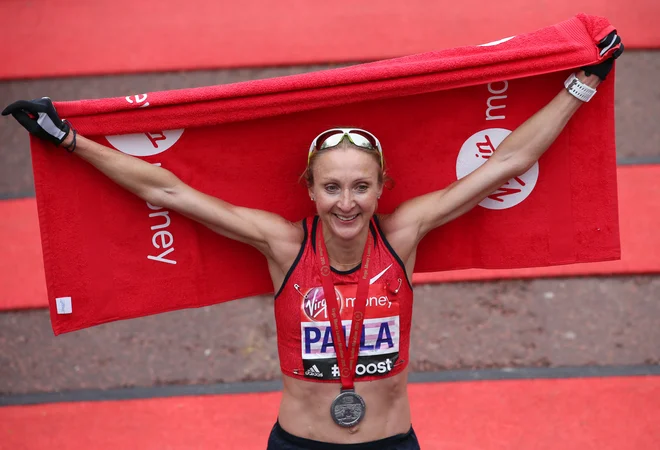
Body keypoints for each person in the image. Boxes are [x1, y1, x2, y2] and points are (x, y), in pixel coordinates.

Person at [3, 32, 622, 450]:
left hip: (391, 442)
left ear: (382, 189)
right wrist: (69, 142)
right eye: (332, 187)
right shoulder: (281, 245)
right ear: (311, 189)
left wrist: (581, 86)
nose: (346, 202)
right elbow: (169, 194)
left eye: (360, 187)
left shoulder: (403, 235)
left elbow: (505, 164)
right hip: (298, 444)